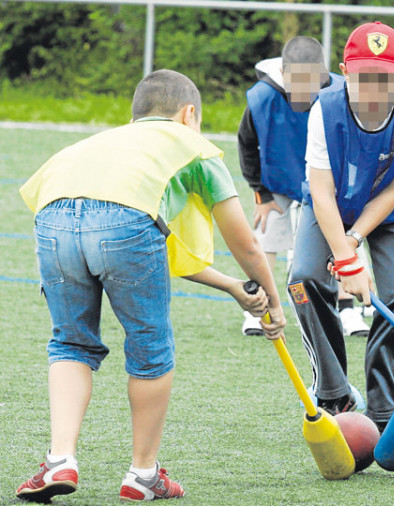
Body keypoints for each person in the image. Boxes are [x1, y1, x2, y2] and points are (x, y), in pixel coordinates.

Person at [15, 69, 286, 503]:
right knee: (150, 347)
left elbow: (154, 244)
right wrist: (273, 302)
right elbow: (249, 246)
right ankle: (143, 474)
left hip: (52, 218)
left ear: (136, 114)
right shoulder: (193, 148)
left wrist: (234, 287)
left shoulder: (108, 144)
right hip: (125, 226)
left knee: (70, 343)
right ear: (189, 114)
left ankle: (60, 459)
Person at [288, 21, 394, 429]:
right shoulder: (326, 107)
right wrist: (345, 258)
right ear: (345, 71)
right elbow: (320, 191)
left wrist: (352, 243)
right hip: (332, 202)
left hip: (392, 209)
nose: (372, 89)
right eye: (362, 77)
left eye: (384, 79)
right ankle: (334, 393)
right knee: (303, 278)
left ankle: (385, 404)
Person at [239, 36, 369, 339]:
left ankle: (347, 307)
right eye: (298, 82)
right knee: (266, 233)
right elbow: (247, 144)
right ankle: (259, 307)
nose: (305, 91)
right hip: (279, 181)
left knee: (341, 236)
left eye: (312, 82)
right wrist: (261, 194)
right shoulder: (262, 99)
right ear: (283, 73)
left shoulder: (339, 93)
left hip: (327, 182)